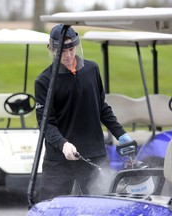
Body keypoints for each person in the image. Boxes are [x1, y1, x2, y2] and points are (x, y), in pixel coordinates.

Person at [34, 24, 132, 201]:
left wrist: (121, 133)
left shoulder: (91, 70)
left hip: (93, 153)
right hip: (59, 157)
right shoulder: (44, 81)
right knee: (50, 207)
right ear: (51, 49)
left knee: (100, 206)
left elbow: (101, 107)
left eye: (71, 48)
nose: (68, 55)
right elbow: (46, 123)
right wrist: (63, 144)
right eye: (62, 50)